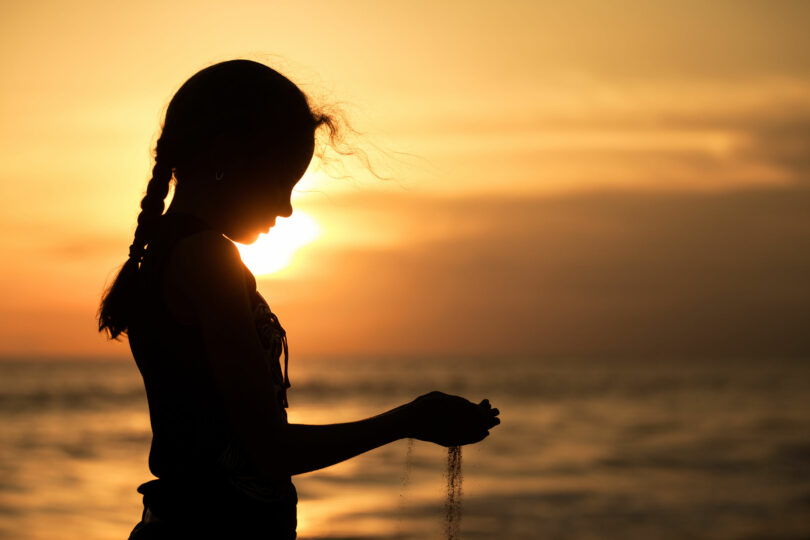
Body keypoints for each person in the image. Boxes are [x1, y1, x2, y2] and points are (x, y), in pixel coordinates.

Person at [97, 59, 500, 540]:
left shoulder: (168, 253)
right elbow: (268, 450)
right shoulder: (208, 259)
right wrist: (410, 419)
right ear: (227, 158)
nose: (287, 209)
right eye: (282, 183)